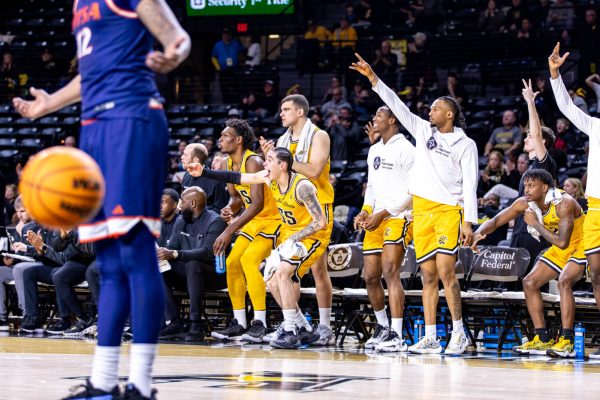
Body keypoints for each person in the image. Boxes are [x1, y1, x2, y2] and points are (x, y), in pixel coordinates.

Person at [12, 0, 191, 398]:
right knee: (108, 260)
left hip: (132, 118)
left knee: (135, 250)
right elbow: (91, 74)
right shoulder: (80, 3)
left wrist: (174, 54)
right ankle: (103, 382)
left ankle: (141, 386)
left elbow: (177, 38)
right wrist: (49, 104)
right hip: (94, 127)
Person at [350, 53, 478, 355]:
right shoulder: (423, 132)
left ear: (450, 115)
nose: (430, 111)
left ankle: (459, 333)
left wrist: (469, 222)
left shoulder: (465, 144)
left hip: (448, 211)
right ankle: (432, 336)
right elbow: (398, 106)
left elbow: (470, 184)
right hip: (422, 212)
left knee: (447, 272)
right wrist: (373, 79)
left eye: (436, 108)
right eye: (430, 108)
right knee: (428, 276)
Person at [188, 148, 328, 349]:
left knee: (282, 273)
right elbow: (236, 176)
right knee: (270, 280)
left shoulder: (302, 186)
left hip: (312, 236)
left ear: (283, 165)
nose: (264, 164)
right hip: (290, 236)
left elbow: (320, 222)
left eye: (269, 160)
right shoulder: (268, 178)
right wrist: (204, 172)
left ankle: (290, 329)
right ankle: (304, 329)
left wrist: (293, 239)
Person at [473, 169, 586, 358]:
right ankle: (542, 338)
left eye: (531, 186)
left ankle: (567, 341)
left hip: (582, 245)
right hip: (560, 249)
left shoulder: (564, 203)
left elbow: (562, 242)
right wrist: (479, 233)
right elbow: (496, 220)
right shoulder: (524, 203)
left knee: (564, 281)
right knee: (530, 282)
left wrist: (535, 224)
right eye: (525, 185)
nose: (526, 189)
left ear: (544, 187)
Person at [259, 94, 337, 345]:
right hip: (291, 213)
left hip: (316, 205)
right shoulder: (283, 139)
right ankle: (294, 323)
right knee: (285, 273)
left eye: (286, 109)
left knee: (318, 269)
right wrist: (272, 160)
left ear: (300, 112)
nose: (281, 114)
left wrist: (283, 161)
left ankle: (324, 326)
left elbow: (314, 170)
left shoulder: (319, 135)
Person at [549, 43, 600, 359]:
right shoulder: (596, 126)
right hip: (596, 210)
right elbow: (568, 109)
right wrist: (555, 75)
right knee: (597, 277)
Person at [209, 119, 281, 343]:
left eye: (225, 135)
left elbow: (258, 203)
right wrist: (229, 209)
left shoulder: (253, 162)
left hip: (272, 219)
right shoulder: (230, 164)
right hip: (253, 221)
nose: (220, 139)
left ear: (238, 140)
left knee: (249, 260)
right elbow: (236, 197)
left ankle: (260, 323)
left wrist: (230, 229)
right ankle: (239, 322)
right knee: (232, 263)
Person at [353, 106, 414, 352]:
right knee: (370, 276)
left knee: (390, 271)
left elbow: (412, 191)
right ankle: (382, 327)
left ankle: (397, 334)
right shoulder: (374, 149)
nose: (374, 118)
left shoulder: (407, 150)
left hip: (398, 216)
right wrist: (366, 210)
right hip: (376, 217)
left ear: (392, 120)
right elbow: (372, 187)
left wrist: (382, 213)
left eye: (379, 115)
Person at [157, 186, 227, 342]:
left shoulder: (215, 221)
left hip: (214, 275)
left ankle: (195, 324)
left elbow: (207, 252)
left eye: (183, 202)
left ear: (193, 204)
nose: (180, 206)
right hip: (188, 273)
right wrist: (161, 252)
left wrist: (176, 254)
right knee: (158, 269)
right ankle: (174, 322)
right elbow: (173, 247)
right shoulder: (181, 221)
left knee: (194, 263)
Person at [509, 79, 557, 267]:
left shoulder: (545, 163)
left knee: (533, 286)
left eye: (530, 136)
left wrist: (530, 101)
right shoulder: (530, 167)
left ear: (542, 142)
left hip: (535, 232)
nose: (527, 137)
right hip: (520, 229)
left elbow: (536, 133)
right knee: (516, 288)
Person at [180, 143, 229, 212]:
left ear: (195, 160)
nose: (182, 157)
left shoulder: (217, 180)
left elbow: (220, 211)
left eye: (185, 155)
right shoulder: (186, 175)